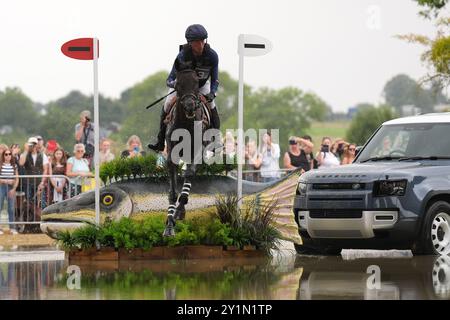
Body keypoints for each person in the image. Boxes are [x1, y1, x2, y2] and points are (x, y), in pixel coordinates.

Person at [148, 24, 220, 152]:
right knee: (166, 105)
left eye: (203, 41)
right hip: (183, 88)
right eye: (197, 42)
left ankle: (215, 141)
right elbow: (169, 80)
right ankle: (160, 141)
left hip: (202, 86)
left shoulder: (212, 56)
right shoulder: (182, 56)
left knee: (213, 107)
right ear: (190, 43)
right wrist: (175, 85)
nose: (201, 45)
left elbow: (215, 80)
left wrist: (212, 94)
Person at [19, 137, 49, 213]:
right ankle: (30, 223)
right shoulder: (25, 154)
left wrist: (42, 183)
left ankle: (40, 222)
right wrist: (26, 150)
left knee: (41, 203)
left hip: (39, 182)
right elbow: (21, 163)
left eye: (33, 144)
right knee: (29, 203)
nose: (32, 146)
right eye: (30, 144)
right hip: (28, 183)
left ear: (36, 145)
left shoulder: (43, 155)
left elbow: (45, 170)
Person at [0, 148, 19, 235]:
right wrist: (5, 181)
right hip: (1, 187)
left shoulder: (14, 165)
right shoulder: (0, 165)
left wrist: (14, 188)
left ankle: (12, 228)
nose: (8, 156)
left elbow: (17, 178)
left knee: (11, 208)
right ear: (3, 155)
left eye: (9, 154)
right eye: (6, 154)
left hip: (11, 187)